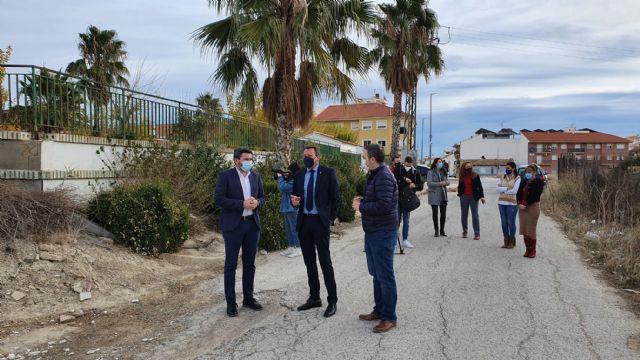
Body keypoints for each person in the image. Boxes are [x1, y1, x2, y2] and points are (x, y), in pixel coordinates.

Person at [214, 148, 266, 317]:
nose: (249, 162)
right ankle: (231, 303)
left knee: (250, 264)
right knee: (231, 265)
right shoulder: (225, 176)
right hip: (233, 226)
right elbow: (219, 200)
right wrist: (241, 204)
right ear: (236, 160)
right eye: (246, 159)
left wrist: (257, 202)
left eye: (251, 159)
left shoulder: (255, 176)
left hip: (252, 225)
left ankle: (248, 298)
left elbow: (263, 197)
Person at [353, 144, 399, 333]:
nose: (364, 161)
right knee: (376, 274)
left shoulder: (383, 176)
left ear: (372, 159)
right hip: (373, 231)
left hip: (383, 232)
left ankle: (389, 317)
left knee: (385, 275)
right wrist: (363, 201)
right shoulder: (375, 175)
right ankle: (379, 310)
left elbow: (385, 206)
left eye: (365, 158)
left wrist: (360, 207)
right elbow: (378, 200)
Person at [290, 146, 340, 317]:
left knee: (325, 262)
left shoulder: (327, 173)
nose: (306, 159)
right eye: (304, 156)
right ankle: (314, 297)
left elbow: (335, 198)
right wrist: (294, 202)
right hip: (304, 222)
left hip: (320, 222)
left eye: (309, 156)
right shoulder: (299, 175)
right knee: (309, 262)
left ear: (317, 157)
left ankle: (332, 300)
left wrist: (330, 219)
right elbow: (295, 198)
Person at [393, 156, 423, 248]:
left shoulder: (415, 172)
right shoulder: (398, 169)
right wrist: (404, 179)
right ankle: (394, 240)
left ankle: (405, 240)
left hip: (408, 199)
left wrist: (414, 186)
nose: (409, 165)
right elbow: (395, 180)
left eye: (411, 163)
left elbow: (420, 185)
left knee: (406, 220)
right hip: (398, 197)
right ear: (405, 162)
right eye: (408, 163)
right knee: (396, 219)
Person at [517, 164, 545, 258]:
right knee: (524, 229)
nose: (528, 174)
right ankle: (527, 249)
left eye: (530, 172)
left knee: (531, 229)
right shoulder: (523, 181)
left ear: (534, 173)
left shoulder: (539, 182)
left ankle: (533, 250)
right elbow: (518, 193)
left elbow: (536, 196)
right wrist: (519, 203)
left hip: (533, 207)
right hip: (522, 208)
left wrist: (525, 204)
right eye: (527, 172)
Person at [277, 162, 302, 258]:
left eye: (290, 171)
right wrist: (283, 177)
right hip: (287, 207)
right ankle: (291, 246)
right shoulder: (292, 179)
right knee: (288, 229)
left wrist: (280, 177)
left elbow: (283, 187)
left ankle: (298, 248)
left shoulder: (296, 181)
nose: (288, 173)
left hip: (293, 208)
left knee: (295, 229)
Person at [457, 161, 485, 240]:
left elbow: (480, 187)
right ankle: (465, 231)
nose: (469, 168)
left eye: (470, 166)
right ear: (464, 168)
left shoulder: (475, 175)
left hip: (474, 197)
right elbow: (460, 186)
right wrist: (460, 194)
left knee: (475, 215)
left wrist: (482, 197)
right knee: (464, 215)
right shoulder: (462, 176)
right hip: (464, 197)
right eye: (467, 166)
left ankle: (477, 233)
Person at [496, 161, 521, 249]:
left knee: (511, 222)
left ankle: (511, 240)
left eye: (508, 168)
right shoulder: (502, 176)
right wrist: (507, 188)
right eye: (506, 168)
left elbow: (515, 191)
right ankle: (506, 240)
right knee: (504, 223)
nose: (507, 170)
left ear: (513, 169)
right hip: (501, 203)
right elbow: (497, 189)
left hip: (512, 203)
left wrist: (503, 190)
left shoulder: (517, 178)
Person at [427, 157, 449, 237]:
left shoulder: (444, 172)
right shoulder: (430, 172)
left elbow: (448, 182)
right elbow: (429, 183)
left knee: (443, 214)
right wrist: (439, 183)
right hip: (434, 195)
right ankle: (436, 230)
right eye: (439, 162)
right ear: (435, 163)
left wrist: (446, 183)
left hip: (443, 195)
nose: (441, 163)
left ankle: (442, 230)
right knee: (435, 214)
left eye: (441, 162)